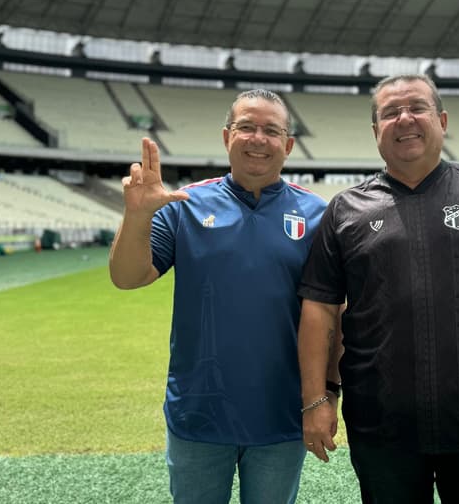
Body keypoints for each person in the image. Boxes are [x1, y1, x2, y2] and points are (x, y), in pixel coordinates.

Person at [297, 74, 459, 504]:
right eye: (390, 113)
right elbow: (320, 310)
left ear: (442, 119)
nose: (405, 119)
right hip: (381, 427)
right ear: (375, 130)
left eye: (417, 108)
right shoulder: (345, 210)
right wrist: (316, 400)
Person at [109, 89, 327, 504]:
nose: (257, 138)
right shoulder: (183, 205)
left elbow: (333, 317)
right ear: (227, 136)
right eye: (246, 127)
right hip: (198, 415)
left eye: (270, 130)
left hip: (280, 418)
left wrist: (324, 397)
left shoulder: (318, 215)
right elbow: (127, 277)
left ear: (289, 144)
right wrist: (137, 215)